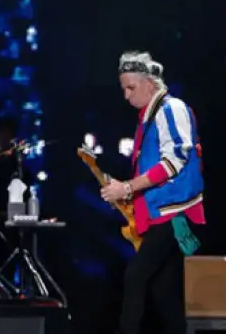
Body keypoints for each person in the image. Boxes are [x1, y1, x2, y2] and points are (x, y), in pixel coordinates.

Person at [100, 51, 205, 334]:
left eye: (131, 88)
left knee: (136, 276)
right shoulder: (150, 117)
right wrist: (125, 191)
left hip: (174, 211)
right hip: (162, 211)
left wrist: (128, 187)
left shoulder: (171, 108)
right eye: (123, 89)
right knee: (163, 291)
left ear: (149, 83)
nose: (126, 96)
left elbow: (175, 160)